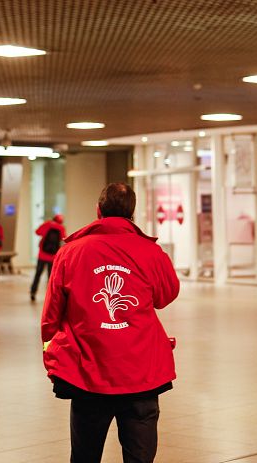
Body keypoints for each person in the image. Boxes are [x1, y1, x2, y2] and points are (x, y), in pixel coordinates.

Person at [41, 182, 180, 463]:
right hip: (141, 372)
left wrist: (50, 348)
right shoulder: (151, 253)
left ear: (98, 210)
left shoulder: (71, 253)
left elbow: (51, 316)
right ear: (132, 212)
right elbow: (166, 296)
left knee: (85, 456)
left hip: (87, 372)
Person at [30, 213, 66, 302]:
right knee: (51, 277)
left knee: (38, 274)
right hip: (53, 257)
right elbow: (64, 238)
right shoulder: (61, 228)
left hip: (42, 254)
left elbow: (37, 232)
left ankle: (33, 292)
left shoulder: (47, 224)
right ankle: (51, 296)